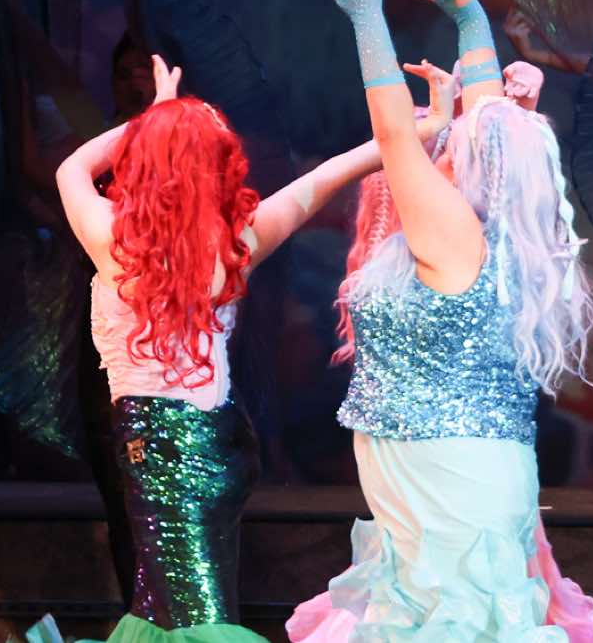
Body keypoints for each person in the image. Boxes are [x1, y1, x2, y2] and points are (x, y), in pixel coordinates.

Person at [47, 53, 417, 641]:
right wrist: (411, 133)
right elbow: (324, 178)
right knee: (162, 613)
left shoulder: (111, 238)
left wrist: (153, 118)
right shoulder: (235, 243)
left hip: (161, 452)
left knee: (194, 623)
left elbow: (73, 168)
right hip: (216, 444)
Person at [290, 0, 593, 643]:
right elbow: (489, 121)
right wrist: (470, 20)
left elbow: (394, 133)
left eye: (458, 135)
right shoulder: (494, 225)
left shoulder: (455, 233)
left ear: (475, 162)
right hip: (444, 472)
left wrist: (366, 16)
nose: (450, 132)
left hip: (450, 476)